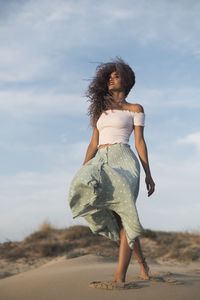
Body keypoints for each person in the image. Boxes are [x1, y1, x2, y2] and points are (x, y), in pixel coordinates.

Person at [67, 57, 155, 288]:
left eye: (116, 76)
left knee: (126, 214)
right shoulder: (99, 112)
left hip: (124, 161)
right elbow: (92, 144)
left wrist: (148, 173)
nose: (111, 79)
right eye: (109, 76)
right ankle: (143, 263)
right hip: (100, 162)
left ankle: (120, 277)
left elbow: (140, 143)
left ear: (126, 79)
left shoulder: (135, 109)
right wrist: (84, 167)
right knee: (114, 215)